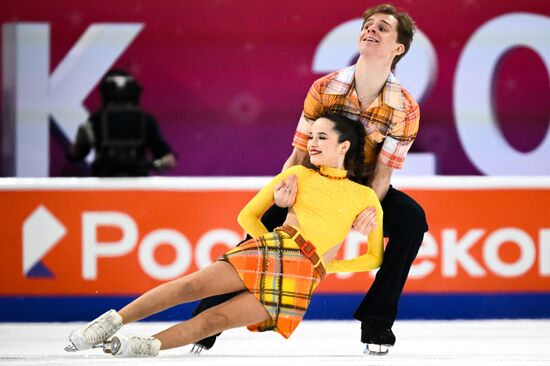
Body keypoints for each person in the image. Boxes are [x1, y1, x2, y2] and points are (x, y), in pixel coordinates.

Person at [192, 3, 428, 356]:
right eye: (368, 25)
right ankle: (206, 320)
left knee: (411, 220)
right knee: (264, 225)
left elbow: (382, 172)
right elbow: (301, 155)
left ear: (398, 49)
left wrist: (355, 215)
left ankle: (377, 322)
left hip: (361, 189)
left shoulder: (405, 108)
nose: (371, 30)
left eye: (382, 28)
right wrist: (285, 195)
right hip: (312, 183)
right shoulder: (326, 87)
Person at [64, 113, 384, 358]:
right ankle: (111, 322)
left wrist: (324, 267)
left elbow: (374, 257)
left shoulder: (365, 197)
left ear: (344, 145)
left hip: (299, 280)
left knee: (212, 321)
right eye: (311, 135)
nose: (312, 143)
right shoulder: (297, 174)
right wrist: (278, 247)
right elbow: (247, 216)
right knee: (191, 286)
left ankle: (146, 345)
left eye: (322, 137)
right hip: (268, 252)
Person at [66, 69, 177, 177]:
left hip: (114, 184)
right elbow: (165, 155)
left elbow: (76, 154)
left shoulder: (95, 120)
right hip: (111, 183)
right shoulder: (147, 120)